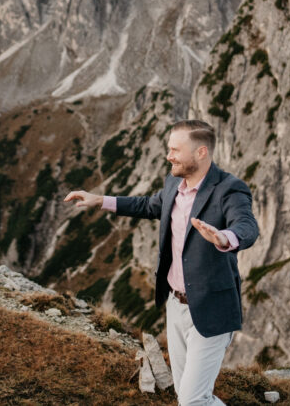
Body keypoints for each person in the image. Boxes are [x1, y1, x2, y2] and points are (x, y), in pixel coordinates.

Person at [64, 119, 258, 406]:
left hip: (212, 309)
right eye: (169, 149)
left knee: (192, 401)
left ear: (201, 152)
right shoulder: (173, 185)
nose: (169, 156)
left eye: (175, 150)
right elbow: (148, 206)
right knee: (186, 394)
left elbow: (247, 225)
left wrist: (224, 238)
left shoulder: (229, 189)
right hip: (175, 305)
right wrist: (99, 200)